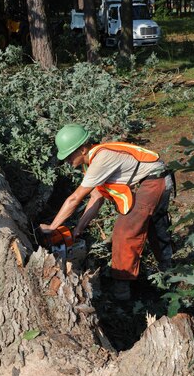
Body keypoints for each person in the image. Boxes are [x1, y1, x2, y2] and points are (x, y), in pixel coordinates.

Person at [39, 124, 174, 301]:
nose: (67, 161)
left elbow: (74, 198)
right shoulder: (92, 164)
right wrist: (78, 228)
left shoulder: (101, 158)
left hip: (155, 180)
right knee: (154, 226)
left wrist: (52, 227)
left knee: (125, 231)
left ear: (83, 149)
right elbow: (97, 197)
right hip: (152, 180)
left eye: (69, 155)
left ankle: (122, 288)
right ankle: (170, 270)